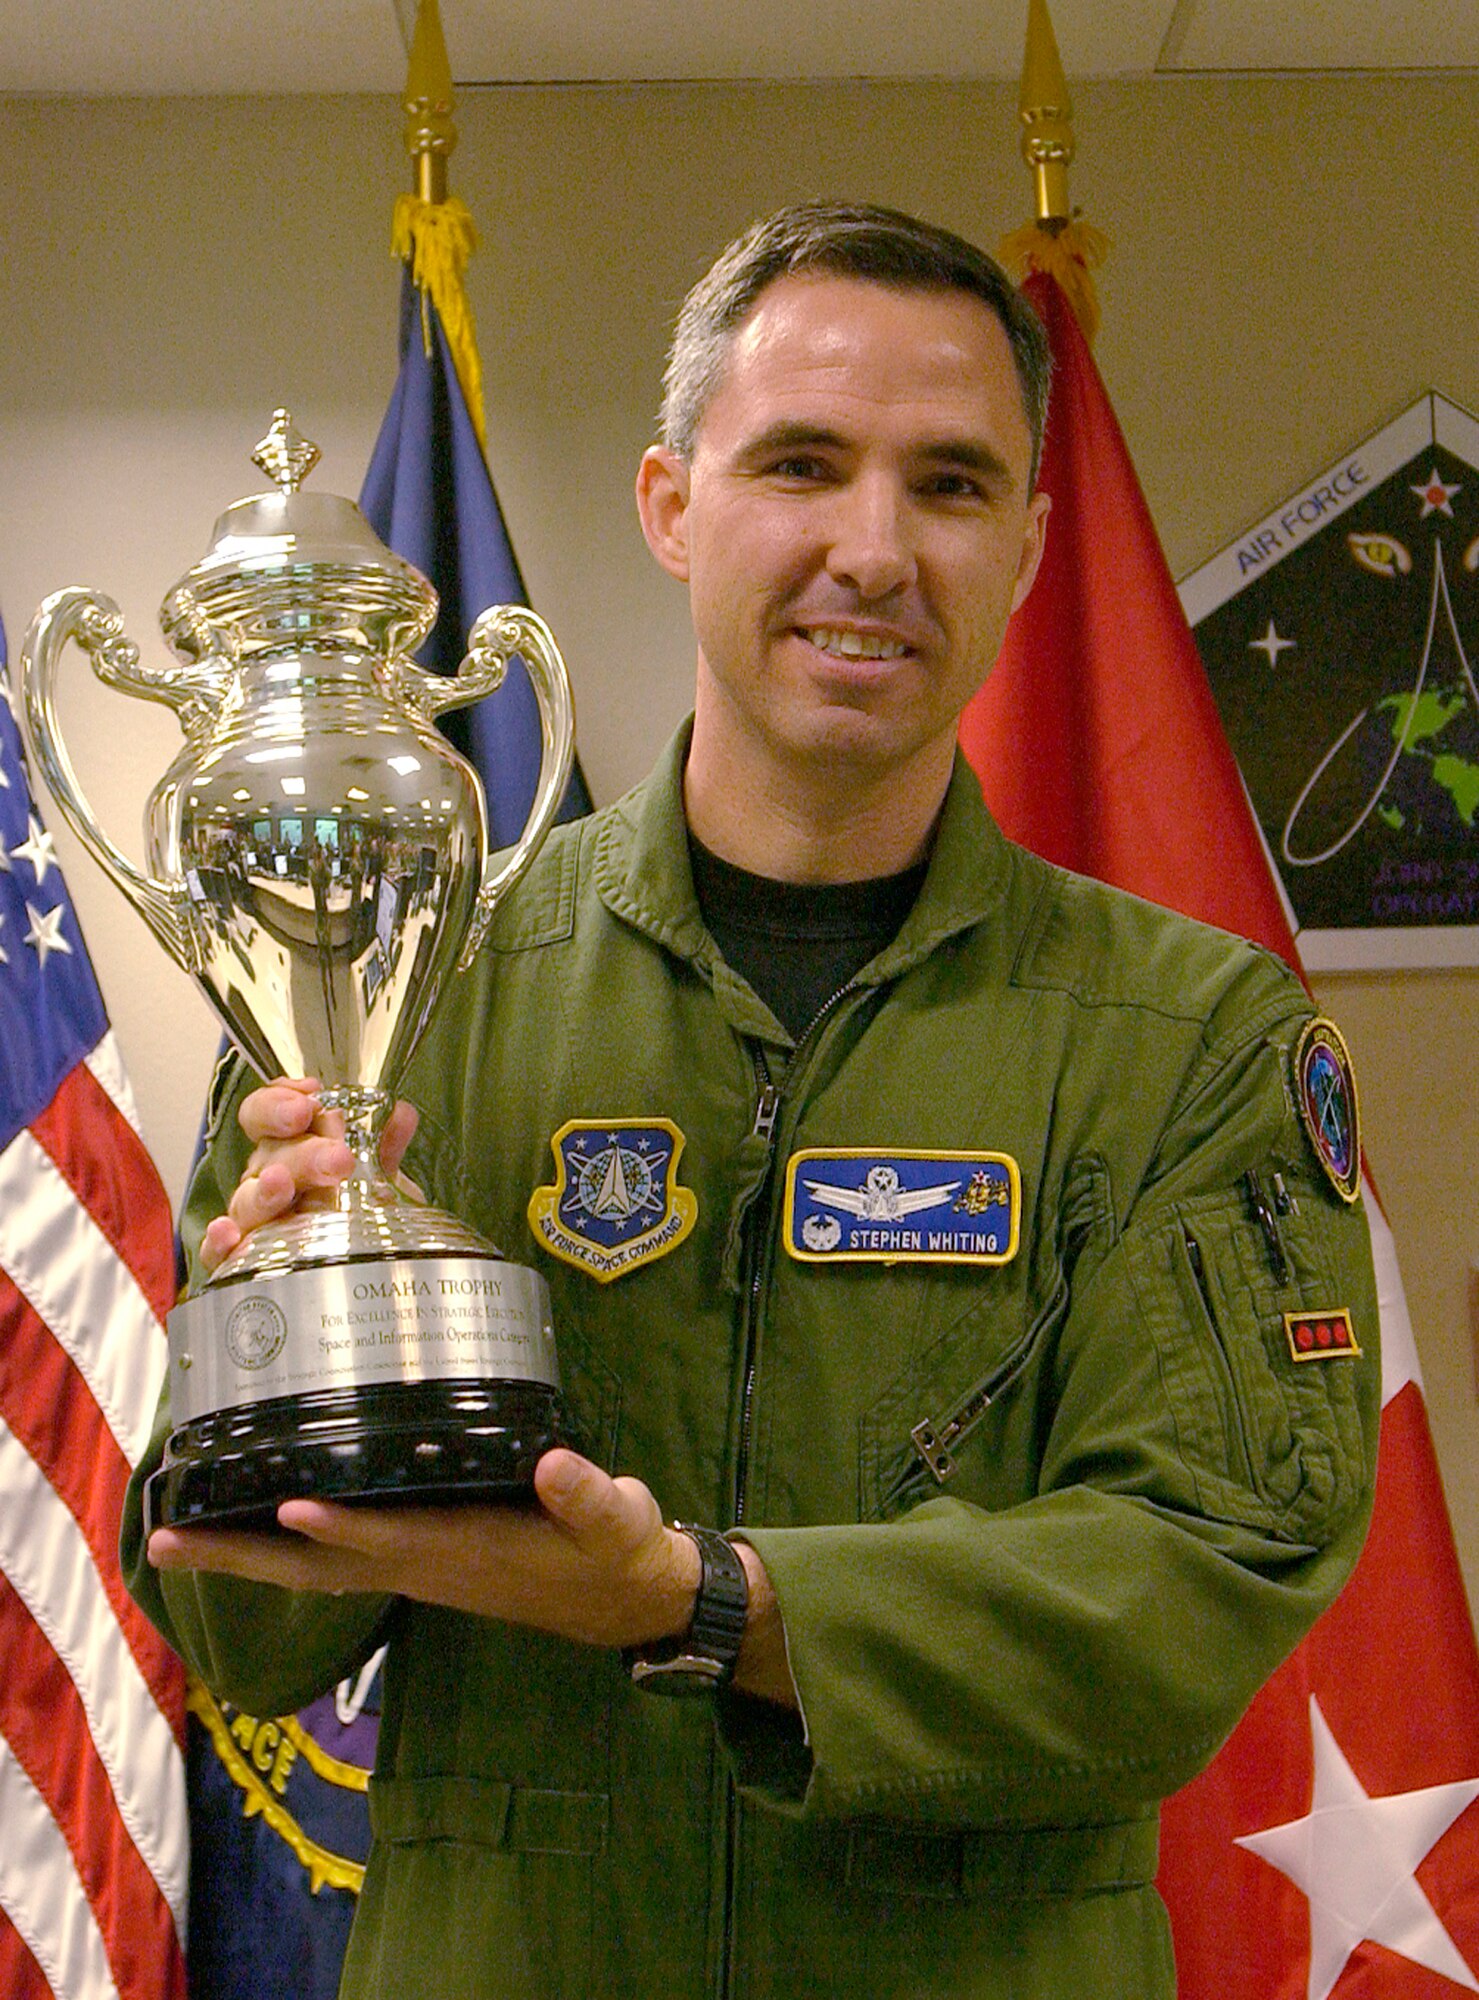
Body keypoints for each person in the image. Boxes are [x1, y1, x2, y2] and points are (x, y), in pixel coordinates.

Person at [124, 202, 1379, 1999]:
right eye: (802, 463)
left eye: (948, 486)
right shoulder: (400, 978)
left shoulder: (1189, 1040)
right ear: (669, 505)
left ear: (1029, 548)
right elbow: (229, 1636)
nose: (873, 548)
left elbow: (1199, 1587)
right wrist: (271, 1385)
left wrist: (710, 1601)